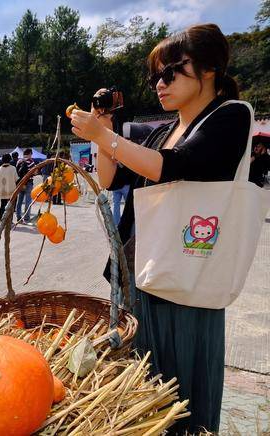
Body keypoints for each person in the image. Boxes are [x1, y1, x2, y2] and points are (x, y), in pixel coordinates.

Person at [71, 24, 250, 434]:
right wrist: (104, 133)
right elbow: (111, 179)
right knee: (143, 380)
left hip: (189, 275)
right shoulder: (162, 131)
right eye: (155, 76)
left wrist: (105, 136)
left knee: (182, 381)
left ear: (209, 70)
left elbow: (175, 166)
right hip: (143, 270)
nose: (159, 84)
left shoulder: (231, 116)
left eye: (170, 72)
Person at [0, 153, 18, 220]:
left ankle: (2, 219)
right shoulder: (13, 168)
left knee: (2, 205)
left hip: (2, 190)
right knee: (11, 206)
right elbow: (16, 179)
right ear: (10, 159)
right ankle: (9, 220)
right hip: (11, 190)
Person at [15, 148, 36, 224]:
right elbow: (34, 172)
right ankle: (27, 218)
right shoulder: (31, 161)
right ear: (30, 153)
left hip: (21, 183)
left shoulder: (19, 161)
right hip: (28, 183)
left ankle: (18, 217)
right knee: (28, 201)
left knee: (19, 201)